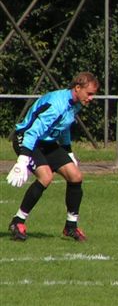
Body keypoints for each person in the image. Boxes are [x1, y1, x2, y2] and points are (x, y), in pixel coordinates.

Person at [6, 72, 100, 242]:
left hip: (46, 143)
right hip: (27, 139)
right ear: (77, 88)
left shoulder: (74, 104)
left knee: (76, 176)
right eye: (90, 93)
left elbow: (63, 128)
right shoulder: (57, 104)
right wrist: (23, 159)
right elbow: (33, 131)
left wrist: (68, 151)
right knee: (46, 176)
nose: (91, 98)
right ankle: (17, 221)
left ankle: (70, 227)